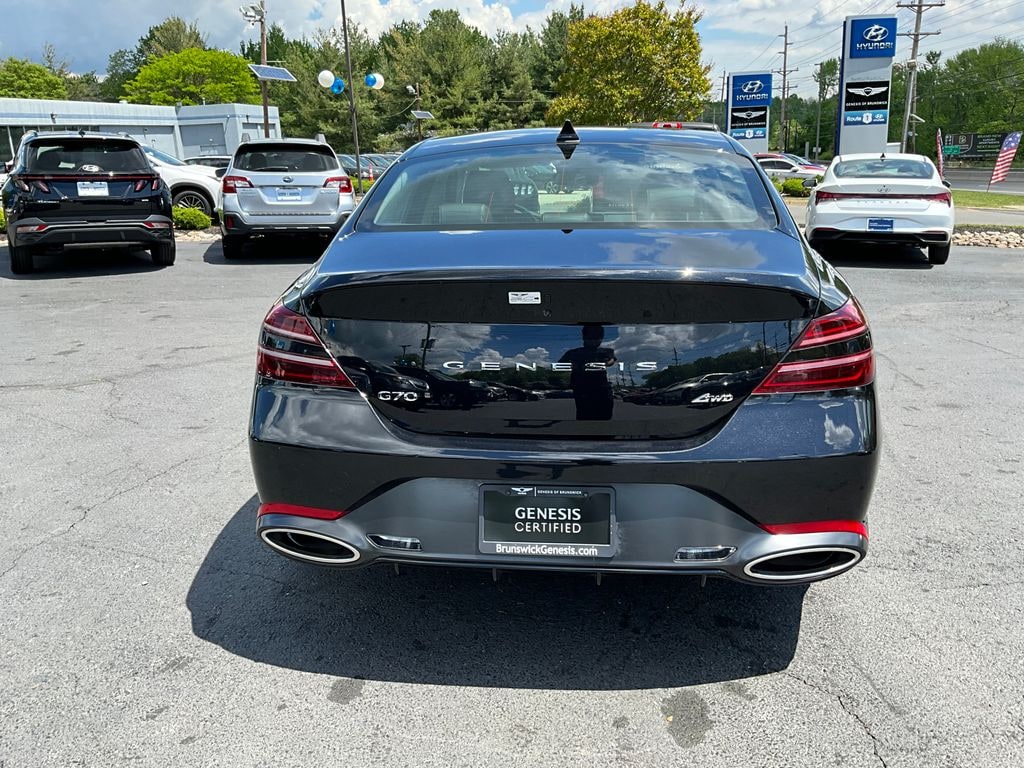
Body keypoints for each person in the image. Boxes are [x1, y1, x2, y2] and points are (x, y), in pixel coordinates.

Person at [559, 324, 616, 420]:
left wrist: (605, 363)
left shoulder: (606, 351)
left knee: (605, 411)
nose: (594, 341)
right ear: (584, 338)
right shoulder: (574, 352)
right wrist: (573, 365)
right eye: (591, 338)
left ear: (601, 339)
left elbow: (612, 360)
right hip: (582, 386)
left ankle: (605, 432)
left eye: (597, 338)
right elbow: (560, 365)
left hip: (601, 386)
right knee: (584, 413)